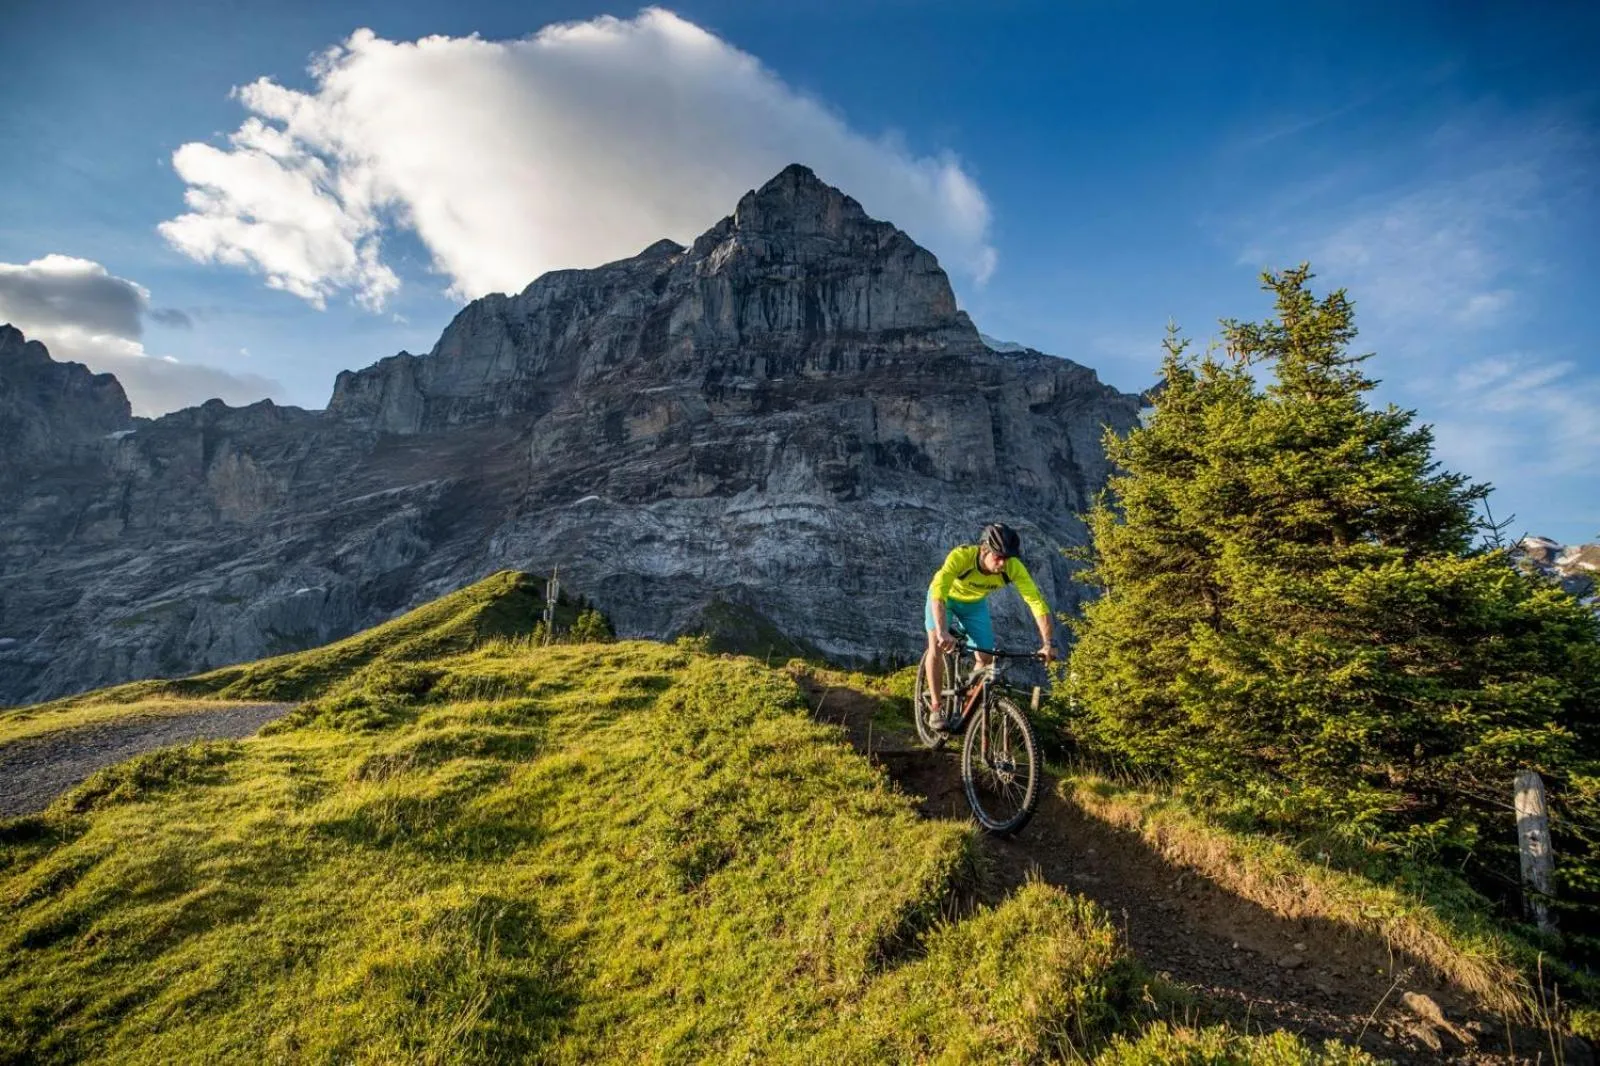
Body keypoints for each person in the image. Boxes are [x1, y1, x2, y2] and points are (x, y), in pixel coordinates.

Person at [922, 523, 1056, 730]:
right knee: (936, 647)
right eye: (998, 557)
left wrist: (1047, 643)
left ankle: (966, 709)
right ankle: (936, 708)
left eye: (1007, 558)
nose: (1002, 563)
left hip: (974, 605)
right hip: (944, 599)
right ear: (984, 550)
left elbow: (1036, 602)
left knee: (986, 658)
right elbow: (939, 593)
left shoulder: (1013, 568)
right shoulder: (961, 557)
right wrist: (942, 631)